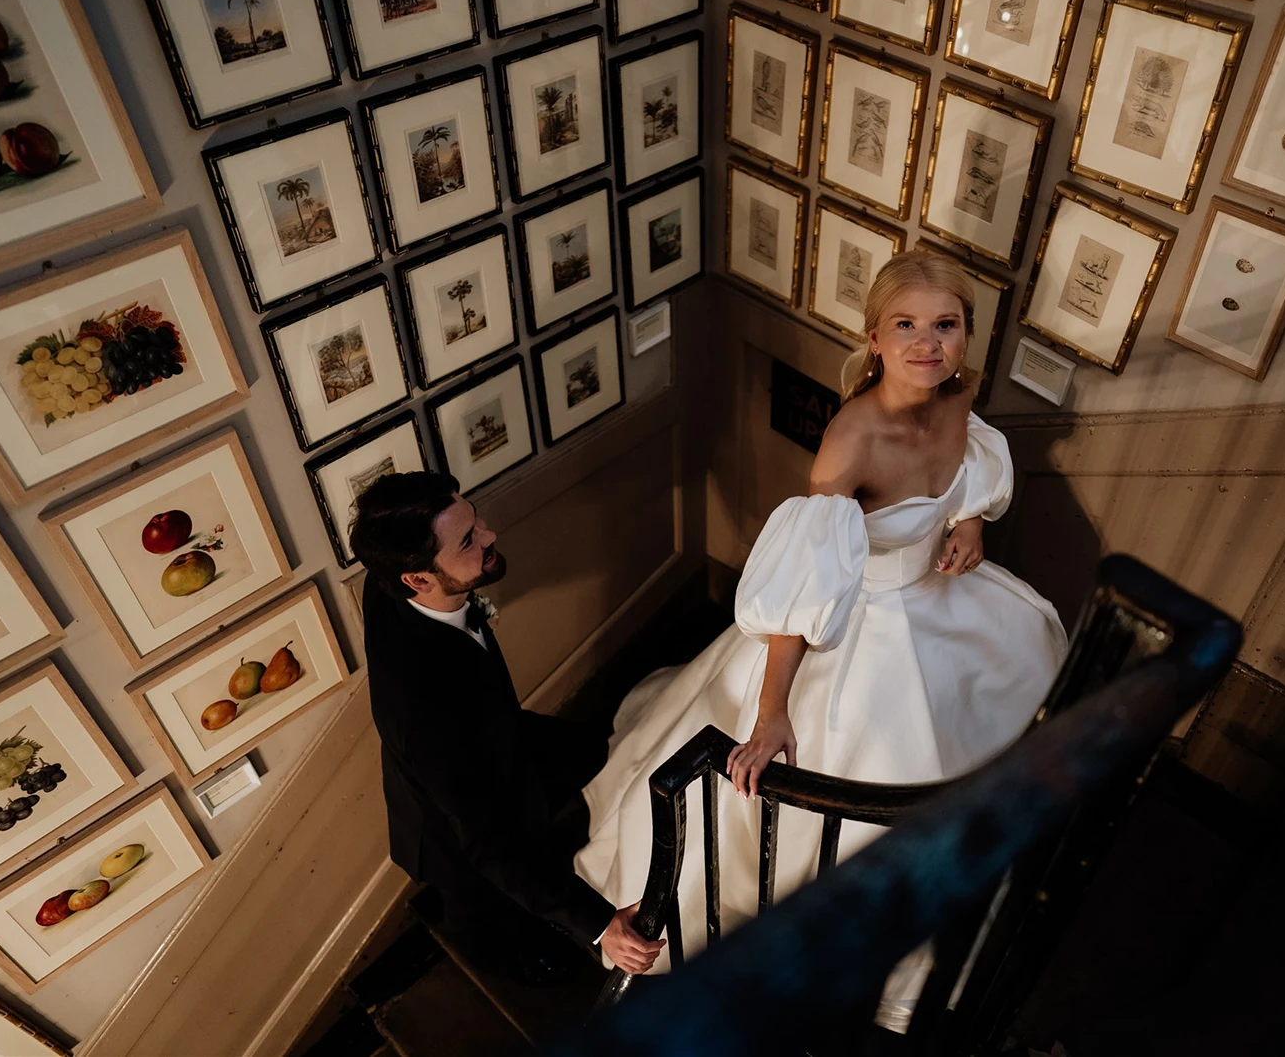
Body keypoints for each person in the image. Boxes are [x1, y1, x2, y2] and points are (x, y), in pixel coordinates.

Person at [575, 250, 1069, 1027]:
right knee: (871, 784)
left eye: (946, 325)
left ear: (967, 335)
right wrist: (772, 712)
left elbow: (971, 458)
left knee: (1001, 713)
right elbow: (805, 590)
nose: (927, 344)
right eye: (905, 326)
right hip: (851, 622)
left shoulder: (960, 392)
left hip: (943, 600)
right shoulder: (852, 439)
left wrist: (969, 520)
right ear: (874, 338)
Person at [350, 472, 664, 984]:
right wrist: (600, 924)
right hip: (453, 835)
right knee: (484, 911)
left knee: (599, 749)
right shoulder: (424, 715)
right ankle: (506, 957)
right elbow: (490, 844)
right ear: (419, 580)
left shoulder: (390, 584)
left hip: (499, 735)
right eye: (468, 541)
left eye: (475, 520)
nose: (490, 535)